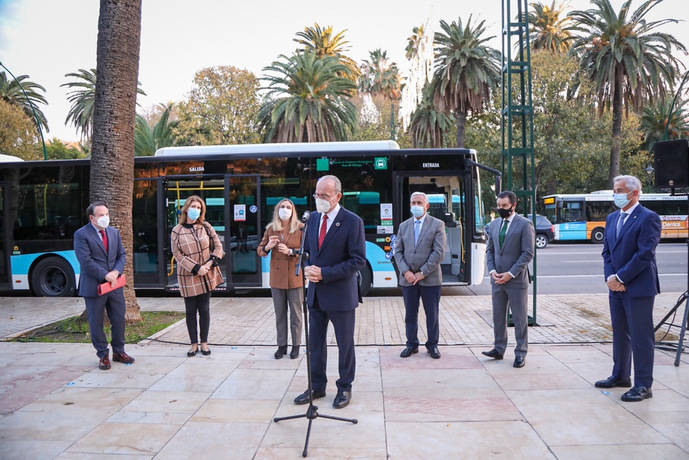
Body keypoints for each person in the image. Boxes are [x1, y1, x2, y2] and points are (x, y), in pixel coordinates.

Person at [293, 175, 366, 409]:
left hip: (341, 295)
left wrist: (325, 273)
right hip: (315, 294)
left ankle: (345, 387)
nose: (320, 199)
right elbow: (309, 253)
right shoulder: (313, 219)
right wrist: (308, 269)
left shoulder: (352, 222)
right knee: (315, 344)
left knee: (345, 344)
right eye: (317, 194)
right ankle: (317, 385)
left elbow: (357, 261)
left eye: (325, 196)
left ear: (338, 196)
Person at [597, 175, 662, 402]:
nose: (616, 194)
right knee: (620, 332)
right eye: (614, 190)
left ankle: (643, 384)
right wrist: (610, 278)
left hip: (639, 287)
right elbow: (607, 252)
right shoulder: (612, 217)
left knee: (641, 337)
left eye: (620, 190)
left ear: (634, 193)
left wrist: (622, 277)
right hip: (615, 287)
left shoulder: (648, 218)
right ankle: (620, 375)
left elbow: (645, 254)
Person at [74, 201, 134, 370]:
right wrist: (104, 274)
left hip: (114, 285)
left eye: (107, 214)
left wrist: (115, 272)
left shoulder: (114, 232)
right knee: (97, 322)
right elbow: (85, 261)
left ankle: (119, 351)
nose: (105, 218)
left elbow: (122, 254)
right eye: (101, 215)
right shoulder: (81, 234)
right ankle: (103, 355)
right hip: (94, 287)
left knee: (119, 319)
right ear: (92, 217)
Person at [482, 191, 535, 368]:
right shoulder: (494, 224)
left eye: (504, 206)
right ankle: (498, 348)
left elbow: (527, 253)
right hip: (497, 279)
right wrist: (492, 271)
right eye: (499, 206)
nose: (501, 209)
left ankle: (521, 352)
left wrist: (510, 273)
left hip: (516, 280)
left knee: (520, 319)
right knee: (498, 317)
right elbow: (489, 250)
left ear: (514, 205)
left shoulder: (525, 225)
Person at [394, 192, 446, 359]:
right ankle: (411, 344)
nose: (416, 206)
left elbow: (439, 253)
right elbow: (398, 251)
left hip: (430, 279)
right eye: (413, 203)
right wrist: (407, 272)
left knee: (432, 314)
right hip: (408, 279)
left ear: (427, 206)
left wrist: (422, 273)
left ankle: (432, 345)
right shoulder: (403, 226)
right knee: (410, 314)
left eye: (419, 203)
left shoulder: (438, 225)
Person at [171, 195, 225, 357]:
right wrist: (195, 268)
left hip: (207, 273)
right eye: (193, 206)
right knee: (190, 310)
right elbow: (177, 254)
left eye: (199, 208)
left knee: (205, 309)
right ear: (186, 208)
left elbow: (218, 246)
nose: (196, 210)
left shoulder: (206, 227)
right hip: (188, 275)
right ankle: (193, 344)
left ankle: (204, 342)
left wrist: (207, 266)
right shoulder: (177, 231)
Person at [257, 198, 304, 360]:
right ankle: (281, 346)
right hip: (277, 278)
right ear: (277, 210)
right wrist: (268, 247)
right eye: (282, 207)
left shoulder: (301, 228)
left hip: (295, 277)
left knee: (296, 314)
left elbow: (308, 252)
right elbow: (260, 251)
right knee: (280, 314)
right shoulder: (271, 229)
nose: (285, 209)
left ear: (293, 210)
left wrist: (291, 251)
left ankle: (296, 346)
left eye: (288, 207)